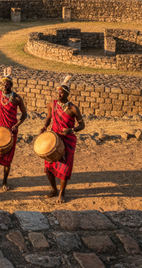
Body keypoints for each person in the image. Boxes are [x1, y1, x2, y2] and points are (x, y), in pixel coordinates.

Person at [40, 75, 85, 203]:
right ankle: (54, 190)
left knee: (64, 169)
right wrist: (44, 126)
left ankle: (62, 193)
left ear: (66, 93)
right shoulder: (52, 105)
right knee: (48, 168)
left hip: (68, 141)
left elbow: (82, 125)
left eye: (62, 92)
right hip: (54, 140)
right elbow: (49, 118)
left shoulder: (73, 109)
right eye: (58, 91)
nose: (59, 94)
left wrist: (72, 130)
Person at [0, 67, 28, 191]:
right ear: (1, 85)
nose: (6, 86)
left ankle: (4, 181)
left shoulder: (17, 98)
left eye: (8, 84)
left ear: (11, 85)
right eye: (4, 84)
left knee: (7, 159)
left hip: (11, 131)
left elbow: (24, 114)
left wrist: (17, 125)